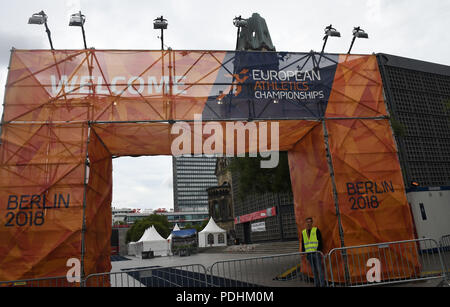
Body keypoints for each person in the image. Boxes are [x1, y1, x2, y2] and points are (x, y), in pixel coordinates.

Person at [301, 217, 326, 287]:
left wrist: (319, 250)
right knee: (314, 271)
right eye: (307, 222)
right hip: (309, 254)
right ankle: (317, 285)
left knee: (319, 270)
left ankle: (322, 285)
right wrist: (303, 252)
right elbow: (303, 243)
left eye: (310, 222)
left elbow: (320, 241)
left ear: (312, 223)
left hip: (316, 253)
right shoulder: (303, 232)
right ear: (305, 223)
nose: (308, 223)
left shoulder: (316, 230)